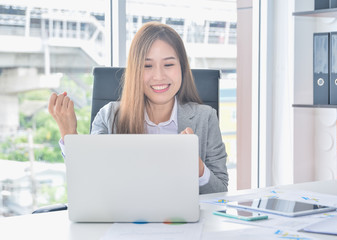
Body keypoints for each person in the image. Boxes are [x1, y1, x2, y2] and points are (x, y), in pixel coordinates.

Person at [48, 21, 228, 194]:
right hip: (123, 222)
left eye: (168, 64)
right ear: (135, 70)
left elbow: (220, 191)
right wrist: (69, 133)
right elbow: (90, 182)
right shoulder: (109, 116)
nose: (158, 76)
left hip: (184, 224)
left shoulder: (206, 118)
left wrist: (198, 168)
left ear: (182, 67)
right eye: (147, 66)